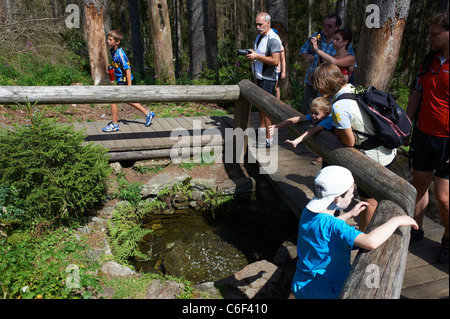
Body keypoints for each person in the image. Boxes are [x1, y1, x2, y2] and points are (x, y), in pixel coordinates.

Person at [291, 165, 418, 299]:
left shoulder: (308, 212)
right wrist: (395, 221)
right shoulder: (335, 226)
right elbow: (370, 241)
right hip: (327, 290)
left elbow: (323, 228)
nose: (353, 196)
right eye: (351, 193)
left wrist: (348, 215)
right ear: (337, 199)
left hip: (303, 284)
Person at [313, 62, 397, 232]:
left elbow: (349, 142)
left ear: (323, 85)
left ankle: (364, 237)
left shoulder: (339, 106)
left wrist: (338, 131)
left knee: (368, 199)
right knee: (370, 198)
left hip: (374, 156)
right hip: (386, 149)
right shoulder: (355, 89)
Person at [406, 11, 449, 263]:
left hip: (447, 140)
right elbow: (416, 93)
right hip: (424, 133)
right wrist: (405, 125)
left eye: (435, 33)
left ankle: (447, 239)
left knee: (443, 197)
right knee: (419, 182)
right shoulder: (430, 58)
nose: (430, 37)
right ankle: (415, 227)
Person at [299, 14, 355, 114]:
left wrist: (316, 49)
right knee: (309, 111)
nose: (325, 28)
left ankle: (269, 129)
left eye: (329, 26)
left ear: (337, 27)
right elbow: (304, 50)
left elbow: (335, 62)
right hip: (314, 83)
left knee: (325, 114)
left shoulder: (349, 55)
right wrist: (308, 56)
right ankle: (265, 130)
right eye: (324, 25)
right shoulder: (317, 36)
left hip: (332, 90)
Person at [102, 30, 155, 132]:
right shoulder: (113, 50)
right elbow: (118, 67)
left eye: (110, 39)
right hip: (120, 79)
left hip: (125, 80)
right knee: (126, 99)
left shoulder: (120, 54)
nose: (107, 41)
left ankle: (115, 124)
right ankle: (148, 113)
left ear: (117, 41)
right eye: (107, 39)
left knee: (113, 100)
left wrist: (129, 87)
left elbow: (127, 70)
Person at [246, 12, 282, 148]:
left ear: (268, 23)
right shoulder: (260, 36)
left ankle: (269, 139)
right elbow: (260, 54)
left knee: (267, 110)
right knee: (260, 107)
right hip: (259, 76)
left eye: (260, 24)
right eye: (256, 24)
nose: (258, 27)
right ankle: (263, 133)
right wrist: (252, 54)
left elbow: (275, 60)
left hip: (268, 78)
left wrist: (257, 57)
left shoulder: (273, 39)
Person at [268, 96, 333, 165]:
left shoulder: (328, 120)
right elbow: (297, 119)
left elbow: (312, 130)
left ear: (326, 114)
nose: (313, 116)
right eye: (312, 112)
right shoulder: (319, 116)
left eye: (316, 114)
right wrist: (277, 125)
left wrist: (296, 141)